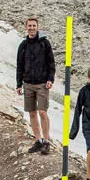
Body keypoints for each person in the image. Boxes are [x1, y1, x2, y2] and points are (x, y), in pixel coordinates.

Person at [15, 17, 56, 155]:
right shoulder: (23, 45)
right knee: (32, 113)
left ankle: (46, 141)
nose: (32, 28)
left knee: (42, 112)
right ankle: (38, 140)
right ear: (26, 27)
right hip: (28, 84)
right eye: (29, 25)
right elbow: (19, 65)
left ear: (37, 27)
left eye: (34, 25)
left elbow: (51, 62)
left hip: (42, 83)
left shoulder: (45, 43)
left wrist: (51, 79)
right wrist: (18, 84)